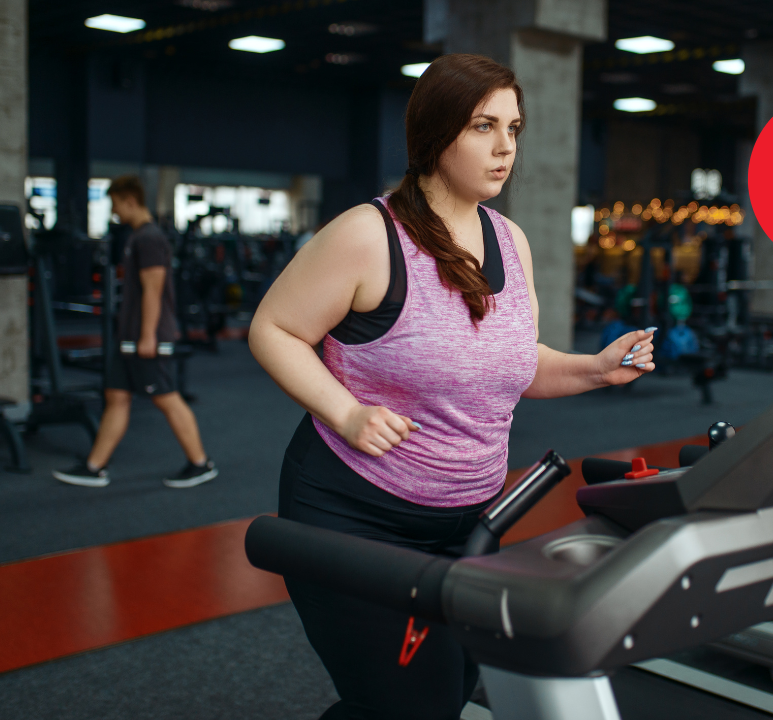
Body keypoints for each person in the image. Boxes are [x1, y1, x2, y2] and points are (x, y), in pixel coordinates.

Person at [248, 54, 655, 720]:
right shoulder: (368, 236)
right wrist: (345, 412)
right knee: (420, 700)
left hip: (469, 523)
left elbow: (512, 366)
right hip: (354, 517)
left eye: (514, 128)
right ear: (436, 135)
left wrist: (595, 368)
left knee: (444, 691)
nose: (505, 148)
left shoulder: (509, 240)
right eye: (482, 127)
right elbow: (274, 328)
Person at [53, 176, 217, 489]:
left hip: (145, 336)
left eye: (115, 204)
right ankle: (94, 466)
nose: (114, 211)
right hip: (128, 335)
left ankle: (200, 463)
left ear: (130, 200)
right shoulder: (136, 236)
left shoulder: (149, 238)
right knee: (116, 396)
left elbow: (153, 291)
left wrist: (147, 336)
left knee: (166, 398)